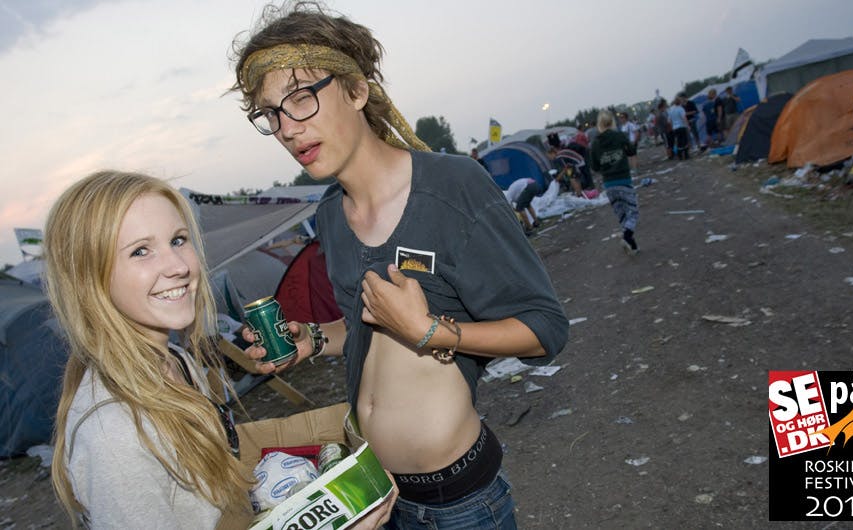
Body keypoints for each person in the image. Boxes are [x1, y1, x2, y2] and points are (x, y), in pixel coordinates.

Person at [230, 2, 569, 529]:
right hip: (374, 495)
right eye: (270, 114)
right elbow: (368, 324)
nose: (287, 129)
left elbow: (544, 328)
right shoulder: (330, 215)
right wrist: (315, 340)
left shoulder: (453, 188)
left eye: (300, 99)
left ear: (357, 90)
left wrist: (431, 331)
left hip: (460, 504)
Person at [45, 171, 252, 528]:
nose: (180, 266)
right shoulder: (114, 434)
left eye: (178, 239)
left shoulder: (176, 360)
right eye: (141, 251)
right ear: (89, 278)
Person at [590, 110, 640, 254]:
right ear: (612, 122)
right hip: (623, 180)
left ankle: (633, 246)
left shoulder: (595, 143)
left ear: (599, 124)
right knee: (633, 212)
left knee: (622, 215)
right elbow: (631, 151)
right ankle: (627, 236)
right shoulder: (619, 136)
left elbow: (594, 166)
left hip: (609, 184)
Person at [668, 95, 690, 160]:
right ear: (680, 102)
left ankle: (680, 156)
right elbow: (684, 118)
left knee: (678, 142)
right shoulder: (681, 109)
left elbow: (669, 120)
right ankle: (686, 155)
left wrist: (672, 127)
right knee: (684, 141)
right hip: (682, 126)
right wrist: (688, 125)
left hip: (675, 128)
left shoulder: (671, 110)